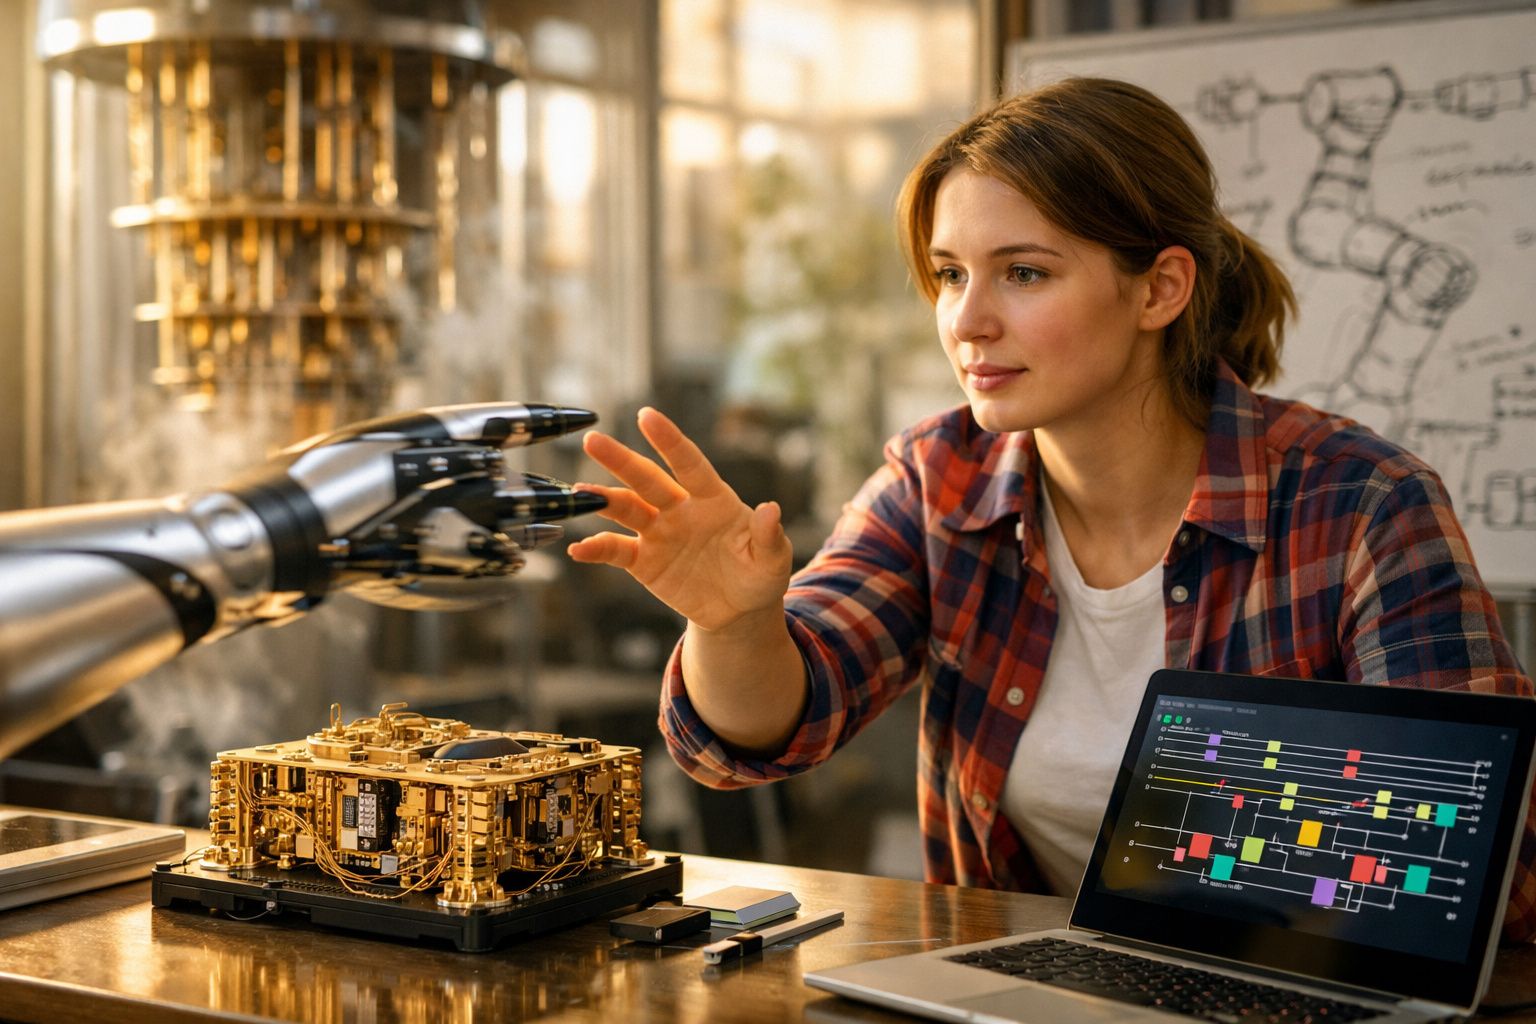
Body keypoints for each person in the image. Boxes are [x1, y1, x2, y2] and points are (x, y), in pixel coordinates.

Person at [566, 76, 1535, 941]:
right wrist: (733, 623)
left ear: (1160, 288)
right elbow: (773, 724)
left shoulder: (1363, 506)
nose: (967, 318)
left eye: (1023, 272)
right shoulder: (940, 478)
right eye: (951, 273)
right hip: (1015, 997)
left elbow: (1495, 876)